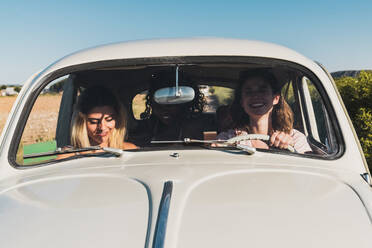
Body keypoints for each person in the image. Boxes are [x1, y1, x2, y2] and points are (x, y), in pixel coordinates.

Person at [217, 70, 312, 154]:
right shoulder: (228, 138)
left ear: (275, 98)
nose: (255, 96)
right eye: (248, 92)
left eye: (262, 90)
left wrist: (291, 148)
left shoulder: (295, 138)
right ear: (242, 102)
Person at [136, 72, 211, 144]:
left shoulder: (198, 126)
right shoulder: (150, 126)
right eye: (158, 106)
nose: (163, 111)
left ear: (183, 104)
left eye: (169, 105)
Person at [70, 86, 137, 150]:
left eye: (109, 119)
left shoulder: (130, 150)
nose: (102, 128)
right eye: (94, 122)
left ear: (118, 119)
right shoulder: (67, 157)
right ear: (81, 123)